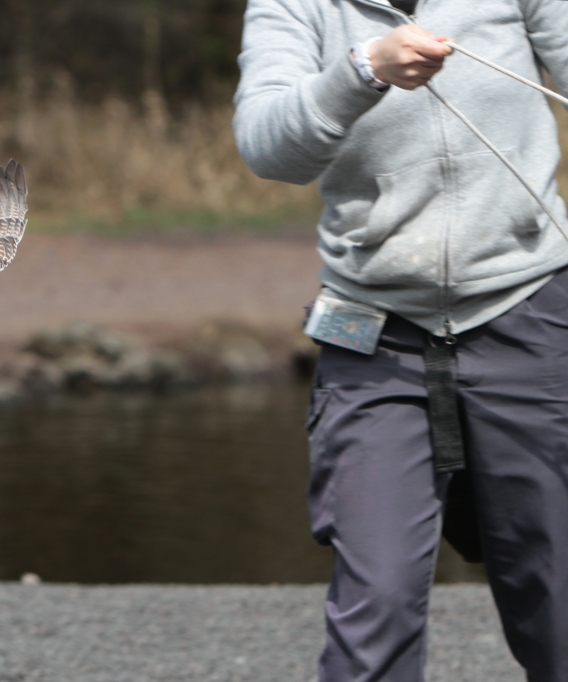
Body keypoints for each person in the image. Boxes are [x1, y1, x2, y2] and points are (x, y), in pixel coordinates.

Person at [233, 2, 568, 681]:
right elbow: (266, 147)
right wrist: (363, 71)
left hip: (530, 314)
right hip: (371, 337)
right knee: (377, 600)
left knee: (555, 598)